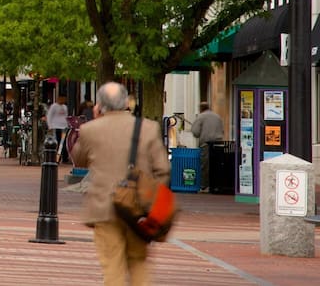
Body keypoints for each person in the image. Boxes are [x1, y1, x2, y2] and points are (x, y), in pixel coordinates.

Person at [71, 82, 170, 286]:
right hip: (139, 210)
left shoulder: (90, 130)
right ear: (127, 102)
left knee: (112, 266)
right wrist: (150, 201)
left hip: (105, 209)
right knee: (138, 263)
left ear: (99, 105)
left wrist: (96, 120)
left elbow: (78, 159)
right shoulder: (149, 128)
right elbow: (163, 170)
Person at [191, 101, 225, 193]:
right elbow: (222, 130)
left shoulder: (201, 117)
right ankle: (217, 185)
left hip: (206, 144)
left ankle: (204, 186)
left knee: (205, 165)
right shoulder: (217, 116)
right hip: (219, 144)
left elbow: (195, 132)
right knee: (217, 165)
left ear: (200, 109)